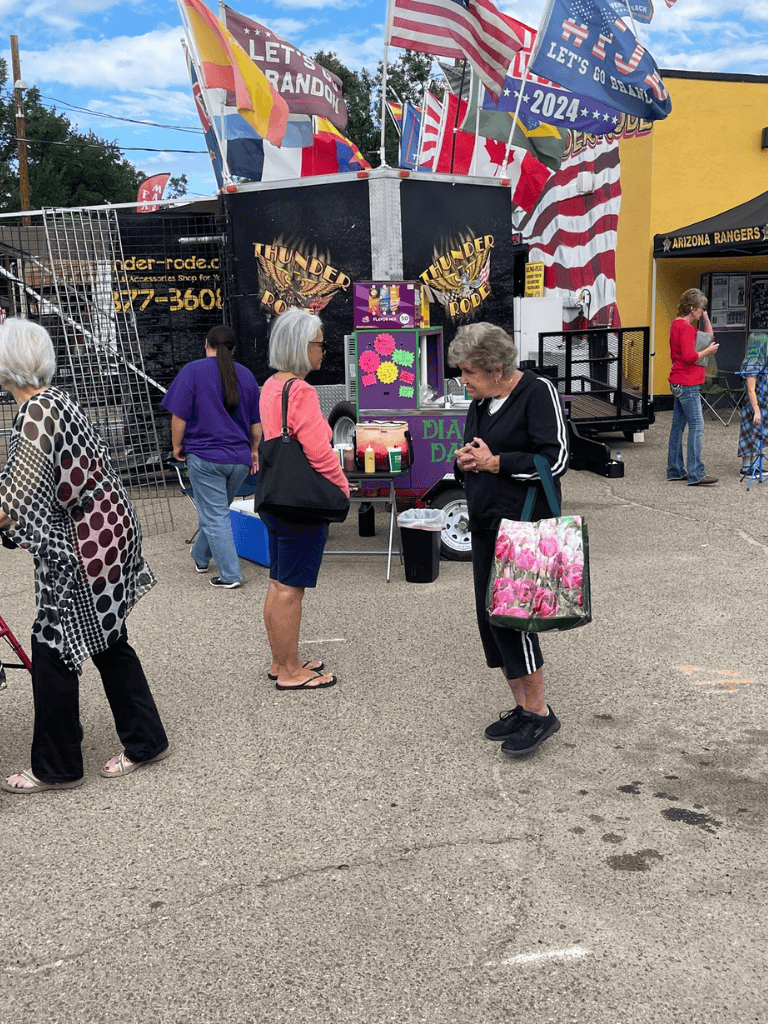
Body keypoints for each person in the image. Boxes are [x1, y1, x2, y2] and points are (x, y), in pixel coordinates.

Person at [0, 319, 168, 794]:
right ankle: (146, 741)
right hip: (107, 534)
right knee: (108, 639)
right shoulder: (59, 400)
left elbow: (14, 499)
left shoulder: (34, 413)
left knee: (52, 647)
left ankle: (57, 766)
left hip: (83, 545)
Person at [448, 322, 569, 760]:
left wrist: (497, 463)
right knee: (491, 618)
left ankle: (539, 713)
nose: (464, 381)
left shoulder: (537, 392)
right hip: (485, 523)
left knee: (513, 619)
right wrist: (463, 460)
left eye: (469, 373)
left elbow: (554, 459)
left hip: (522, 527)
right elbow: (474, 450)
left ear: (497, 368)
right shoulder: (482, 399)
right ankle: (522, 707)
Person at [259, 307, 349, 690]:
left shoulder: (272, 386)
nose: (322, 351)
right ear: (301, 346)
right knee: (290, 590)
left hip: (276, 496)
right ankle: (292, 671)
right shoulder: (302, 391)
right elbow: (319, 451)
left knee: (278, 583)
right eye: (319, 344)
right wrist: (342, 487)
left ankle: (282, 662)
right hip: (302, 502)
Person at [162, 325, 261, 589]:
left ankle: (230, 575)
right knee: (215, 510)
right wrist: (253, 452)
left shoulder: (192, 371)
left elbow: (178, 417)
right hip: (239, 460)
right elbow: (256, 426)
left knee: (215, 515)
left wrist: (176, 447)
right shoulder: (247, 376)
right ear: (233, 349)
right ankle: (200, 556)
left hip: (205, 458)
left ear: (206, 344)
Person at [666, 288, 719, 486]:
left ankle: (675, 469)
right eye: (699, 309)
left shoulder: (677, 324)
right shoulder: (687, 328)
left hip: (678, 380)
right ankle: (696, 472)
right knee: (697, 425)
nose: (700, 312)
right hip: (688, 382)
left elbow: (708, 336)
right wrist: (708, 351)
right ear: (691, 308)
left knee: (677, 428)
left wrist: (705, 318)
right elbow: (690, 357)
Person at [737, 331, 768, 479]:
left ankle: (752, 466)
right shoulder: (752, 363)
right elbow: (751, 389)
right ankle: (750, 467)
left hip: (762, 403)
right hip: (754, 405)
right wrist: (757, 410)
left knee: (757, 434)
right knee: (753, 434)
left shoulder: (761, 362)